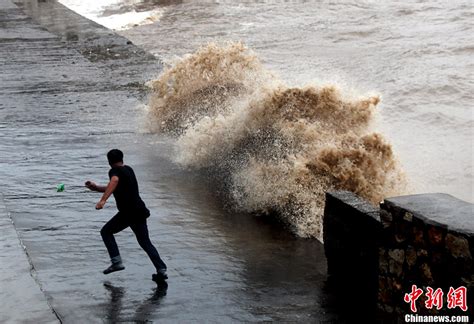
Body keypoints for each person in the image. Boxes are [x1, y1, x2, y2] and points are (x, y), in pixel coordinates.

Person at [85, 149, 167, 282]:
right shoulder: (129, 169)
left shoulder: (114, 171)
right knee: (145, 243)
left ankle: (116, 262)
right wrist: (95, 188)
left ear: (109, 161)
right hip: (139, 210)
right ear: (122, 158)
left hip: (128, 213)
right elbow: (114, 185)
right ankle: (161, 269)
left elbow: (114, 181)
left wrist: (103, 200)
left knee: (106, 232)